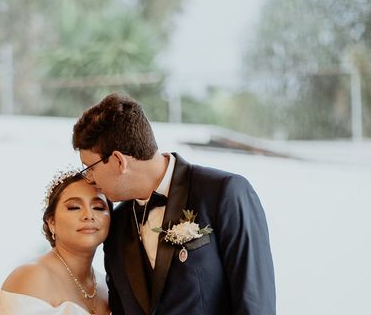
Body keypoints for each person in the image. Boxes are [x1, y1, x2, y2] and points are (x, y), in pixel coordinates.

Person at [72, 92, 276, 315]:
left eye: (90, 168)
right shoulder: (116, 224)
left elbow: (255, 304)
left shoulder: (224, 193)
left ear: (119, 161)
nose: (89, 179)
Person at [0, 171, 112, 315]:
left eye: (98, 207)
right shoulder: (32, 277)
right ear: (51, 222)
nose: (89, 216)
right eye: (74, 207)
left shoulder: (107, 285)